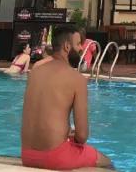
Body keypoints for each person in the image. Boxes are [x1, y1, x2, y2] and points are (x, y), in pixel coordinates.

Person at [21, 23, 113, 170]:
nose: (81, 48)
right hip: (55, 157)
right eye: (78, 44)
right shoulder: (77, 79)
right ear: (67, 46)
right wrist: (73, 136)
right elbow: (82, 136)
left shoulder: (35, 72)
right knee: (106, 163)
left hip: (27, 155)